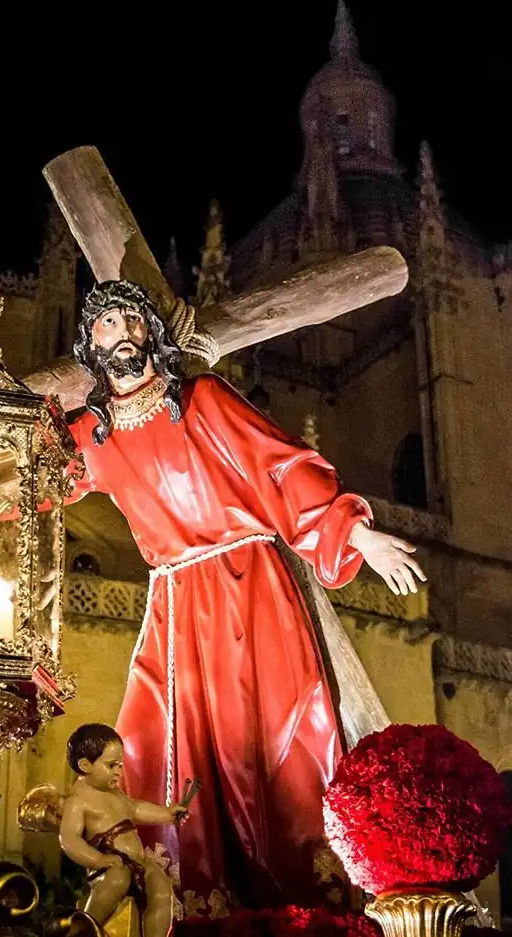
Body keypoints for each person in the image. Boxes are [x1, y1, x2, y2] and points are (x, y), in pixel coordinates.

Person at [60, 279, 426, 913]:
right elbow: (33, 483)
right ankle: (195, 899)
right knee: (166, 742)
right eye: (105, 323)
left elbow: (278, 465)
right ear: (90, 343)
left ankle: (306, 900)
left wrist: (355, 533)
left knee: (269, 742)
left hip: (249, 588)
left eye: (129, 318)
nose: (119, 331)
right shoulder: (94, 437)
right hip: (174, 602)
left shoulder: (202, 400)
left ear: (150, 332)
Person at [59, 723, 187, 937]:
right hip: (109, 864)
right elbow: (69, 839)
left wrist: (167, 814)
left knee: (161, 885)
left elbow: (136, 809)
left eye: (120, 765)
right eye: (111, 766)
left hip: (138, 861)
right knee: (118, 879)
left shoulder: (116, 795)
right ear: (85, 765)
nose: (119, 772)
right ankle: (85, 928)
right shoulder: (79, 800)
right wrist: (98, 859)